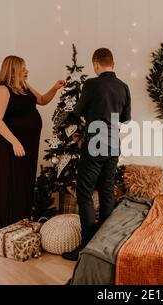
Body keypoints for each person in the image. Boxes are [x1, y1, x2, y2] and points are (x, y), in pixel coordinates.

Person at [62, 48, 131, 261]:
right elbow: (125, 119)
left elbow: (78, 111)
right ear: (113, 63)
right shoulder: (124, 87)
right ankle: (104, 246)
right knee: (107, 192)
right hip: (113, 145)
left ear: (96, 64)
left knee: (84, 194)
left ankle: (86, 247)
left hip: (95, 144)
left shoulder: (92, 84)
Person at [0, 55, 65, 228]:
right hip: (12, 144)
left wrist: (54, 89)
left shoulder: (24, 86)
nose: (27, 71)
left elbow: (41, 100)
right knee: (13, 182)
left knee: (25, 181)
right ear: (13, 70)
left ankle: (23, 222)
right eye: (23, 68)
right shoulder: (4, 89)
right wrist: (15, 142)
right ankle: (9, 226)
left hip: (29, 144)